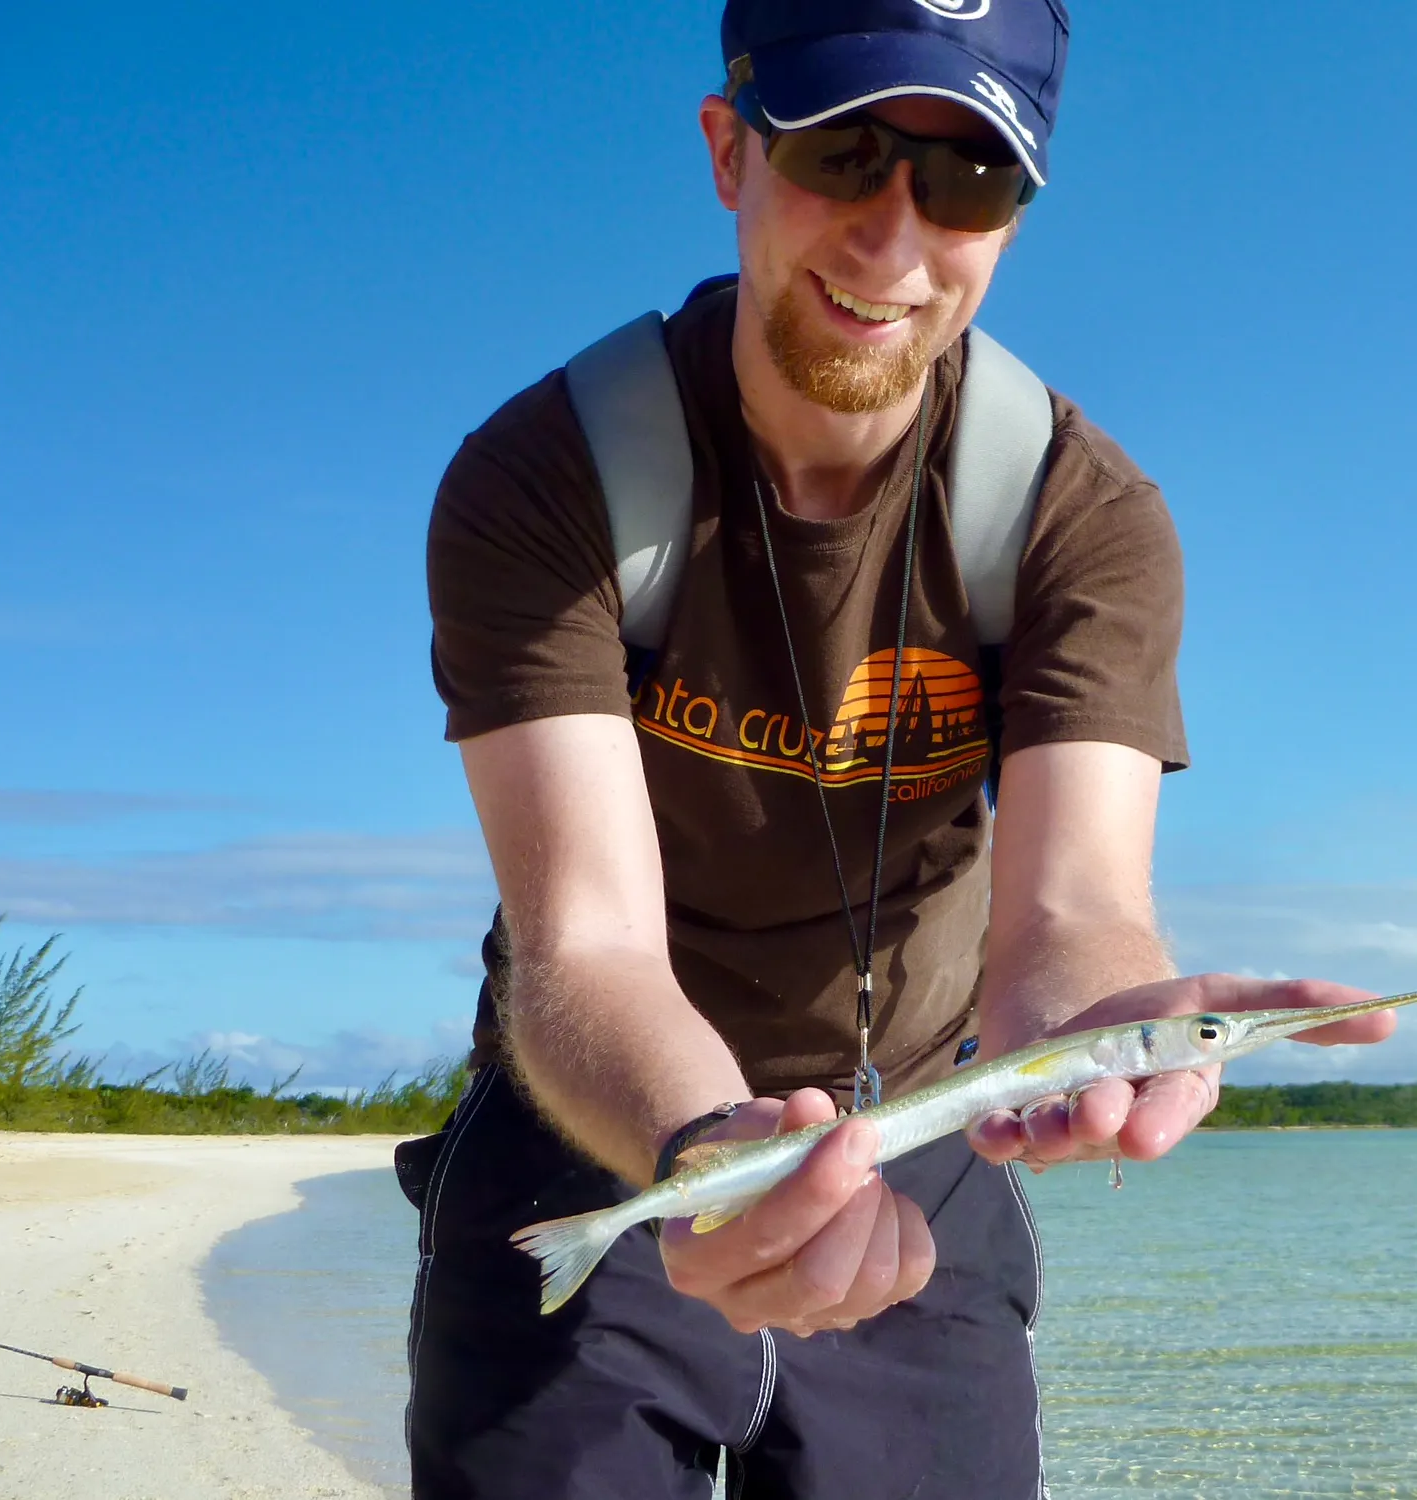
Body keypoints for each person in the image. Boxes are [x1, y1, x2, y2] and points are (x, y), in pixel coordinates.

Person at [405, 3, 1395, 1496]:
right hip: (607, 1124)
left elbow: (1066, 917)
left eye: (966, 179)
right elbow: (585, 946)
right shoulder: (545, 480)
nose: (893, 238)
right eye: (843, 150)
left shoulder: (1086, 520)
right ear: (730, 151)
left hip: (934, 1135)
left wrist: (1114, 1022)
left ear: (1020, 212)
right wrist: (708, 1159)